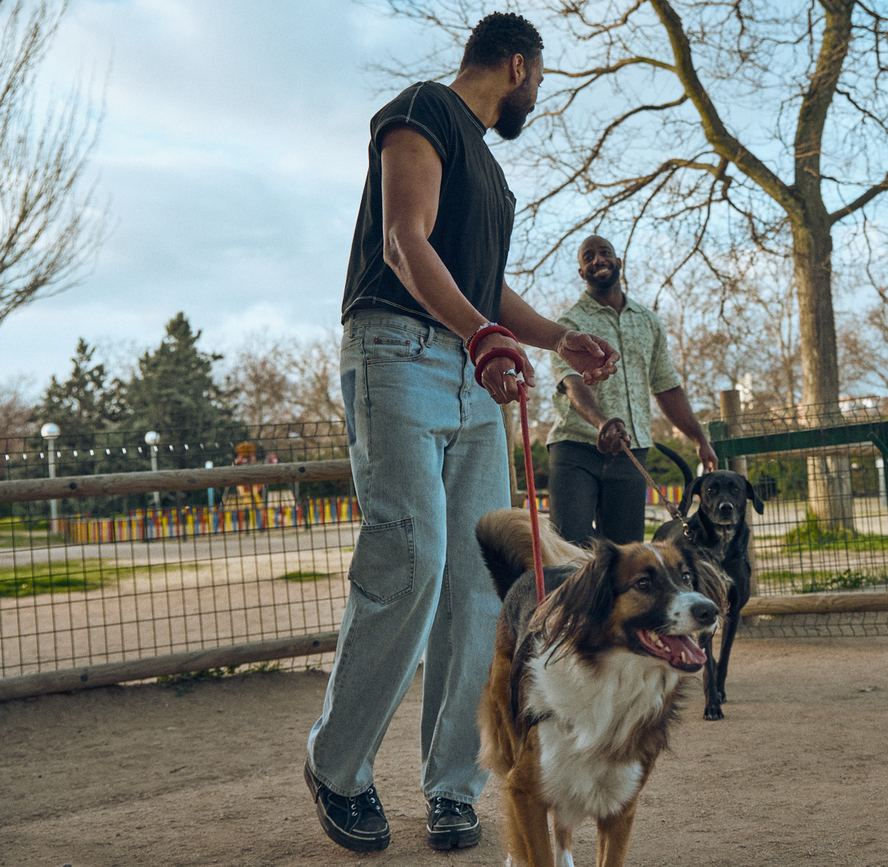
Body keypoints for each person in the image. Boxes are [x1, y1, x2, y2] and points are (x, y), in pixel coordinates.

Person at [303, 13, 619, 854]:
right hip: (399, 351)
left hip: (476, 373)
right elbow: (406, 244)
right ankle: (338, 766)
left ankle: (452, 786)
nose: (539, 96)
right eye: (541, 80)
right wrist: (481, 333)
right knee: (412, 560)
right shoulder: (423, 112)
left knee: (482, 587)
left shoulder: (494, 176)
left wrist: (556, 338)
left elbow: (481, 281)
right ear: (516, 65)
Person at [546, 234, 718, 545]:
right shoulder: (570, 323)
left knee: (627, 558)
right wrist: (603, 423)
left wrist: (699, 438)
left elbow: (666, 386)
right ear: (581, 272)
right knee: (570, 552)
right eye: (589, 257)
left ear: (619, 262)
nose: (598, 259)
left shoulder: (649, 322)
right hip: (576, 450)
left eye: (604, 252)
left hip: (630, 453)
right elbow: (572, 384)